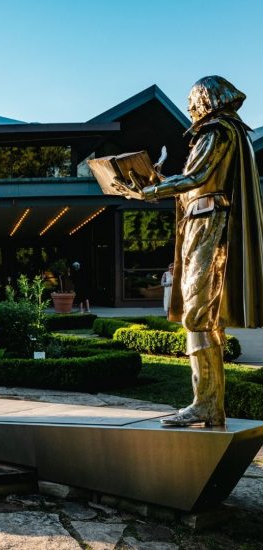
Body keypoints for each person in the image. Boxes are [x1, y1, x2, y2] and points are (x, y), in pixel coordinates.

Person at [139, 76, 263, 427]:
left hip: (209, 228)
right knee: (203, 318)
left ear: (207, 100)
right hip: (207, 224)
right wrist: (161, 184)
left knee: (197, 316)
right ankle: (207, 403)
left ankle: (206, 404)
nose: (190, 108)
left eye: (193, 100)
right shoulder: (231, 132)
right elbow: (199, 181)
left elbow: (196, 178)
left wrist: (149, 191)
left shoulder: (216, 131)